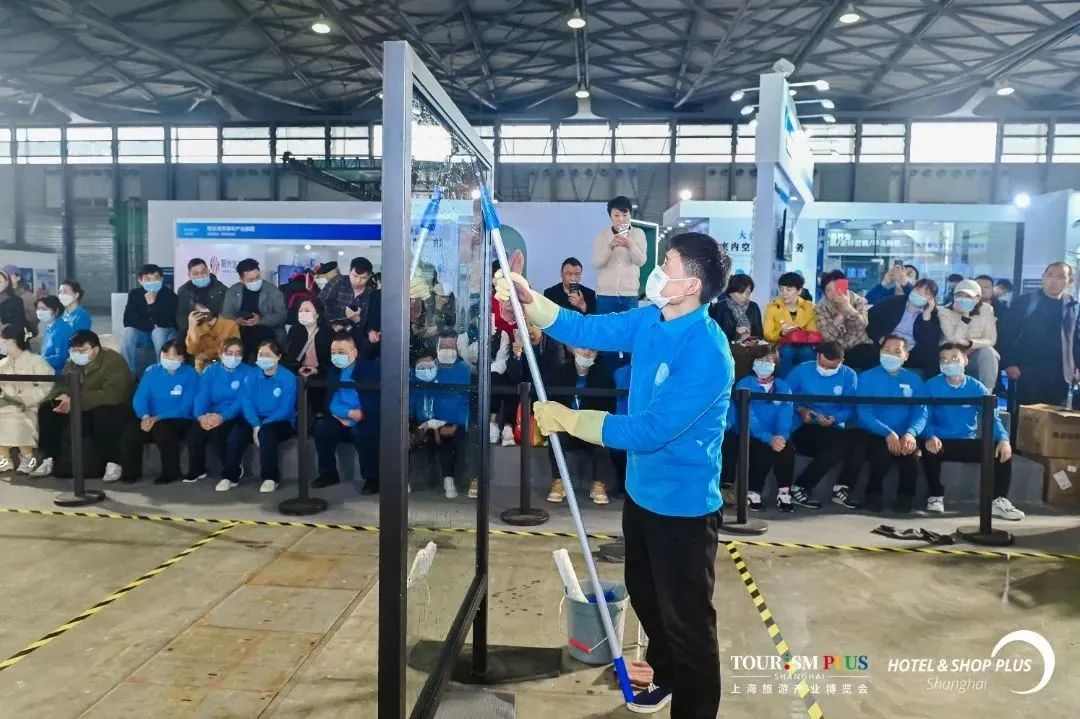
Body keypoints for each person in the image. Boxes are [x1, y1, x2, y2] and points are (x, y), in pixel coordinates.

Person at [497, 231, 732, 715]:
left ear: (691, 285)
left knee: (688, 624)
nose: (655, 273)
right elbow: (589, 330)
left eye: (667, 265)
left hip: (684, 509)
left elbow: (652, 430)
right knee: (646, 597)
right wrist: (531, 300)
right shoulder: (651, 319)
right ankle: (665, 676)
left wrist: (573, 420)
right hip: (641, 494)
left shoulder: (708, 352)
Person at [920, 343, 1023, 520]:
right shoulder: (930, 386)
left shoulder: (977, 387)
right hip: (940, 441)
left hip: (966, 440)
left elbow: (992, 418)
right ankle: (935, 496)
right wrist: (930, 435)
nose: (948, 363)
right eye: (944, 359)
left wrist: (1004, 439)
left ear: (965, 360)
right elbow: (924, 416)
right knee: (928, 447)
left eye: (954, 358)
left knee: (1000, 450)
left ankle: (998, 501)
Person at [33, 330, 139, 482]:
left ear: (95, 349)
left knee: (105, 414)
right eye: (74, 350)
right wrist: (60, 397)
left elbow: (114, 394)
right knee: (47, 410)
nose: (77, 354)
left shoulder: (113, 361)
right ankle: (48, 458)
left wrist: (76, 400)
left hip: (111, 405)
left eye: (82, 350)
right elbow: (61, 385)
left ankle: (113, 462)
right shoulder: (72, 363)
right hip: (79, 404)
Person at [853, 335, 927, 513]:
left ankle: (905, 499)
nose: (891, 355)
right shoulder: (867, 377)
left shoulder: (915, 380)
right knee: (881, 455)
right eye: (886, 350)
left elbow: (921, 412)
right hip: (876, 433)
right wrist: (887, 432)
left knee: (911, 459)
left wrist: (910, 433)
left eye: (897, 351)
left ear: (906, 355)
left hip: (905, 434)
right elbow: (864, 412)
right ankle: (873, 496)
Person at [786, 342, 861, 510]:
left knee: (854, 440)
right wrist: (801, 410)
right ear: (818, 356)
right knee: (841, 444)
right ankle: (802, 487)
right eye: (824, 366)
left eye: (833, 367)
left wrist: (835, 418)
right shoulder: (801, 370)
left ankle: (840, 487)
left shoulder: (849, 375)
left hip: (833, 427)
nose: (827, 370)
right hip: (804, 426)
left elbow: (851, 407)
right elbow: (785, 397)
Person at [542, 344, 616, 506]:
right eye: (583, 348)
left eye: (592, 349)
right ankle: (558, 481)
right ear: (572, 349)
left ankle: (599, 484)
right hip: (566, 428)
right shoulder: (560, 373)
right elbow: (553, 403)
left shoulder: (604, 375)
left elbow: (609, 408)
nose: (587, 353)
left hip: (589, 428)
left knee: (602, 434)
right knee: (555, 435)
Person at [999, 262, 1079, 406]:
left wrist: (1077, 367)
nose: (1053, 280)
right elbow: (1007, 333)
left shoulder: (1072, 305)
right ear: (1043, 277)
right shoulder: (1025, 301)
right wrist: (1009, 363)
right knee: (1024, 416)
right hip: (1026, 371)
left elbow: (1075, 339)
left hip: (1060, 374)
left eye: (1060, 277)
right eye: (1050, 275)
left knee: (1055, 416)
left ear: (1069, 281)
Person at [312, 332, 381, 494]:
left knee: (365, 430)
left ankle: (372, 478)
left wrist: (356, 416)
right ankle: (328, 474)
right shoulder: (333, 371)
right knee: (322, 427)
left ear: (354, 352)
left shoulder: (369, 369)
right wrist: (347, 414)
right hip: (342, 418)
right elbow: (332, 402)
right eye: (333, 352)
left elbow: (373, 401)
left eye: (341, 352)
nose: (337, 356)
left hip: (364, 417)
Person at [728, 348, 796, 512]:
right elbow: (748, 417)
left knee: (787, 449)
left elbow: (786, 415)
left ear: (775, 364)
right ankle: (753, 492)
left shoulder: (783, 386)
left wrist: (781, 436)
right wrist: (768, 438)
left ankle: (784, 493)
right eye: (760, 361)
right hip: (749, 433)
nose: (764, 364)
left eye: (769, 361)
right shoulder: (744, 385)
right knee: (761, 449)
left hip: (776, 436)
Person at [185, 338, 254, 490]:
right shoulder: (211, 371)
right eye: (229, 353)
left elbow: (242, 400)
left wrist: (222, 417)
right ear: (221, 353)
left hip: (239, 415)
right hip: (214, 413)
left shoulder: (249, 372)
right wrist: (201, 416)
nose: (234, 357)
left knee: (223, 434)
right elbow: (201, 395)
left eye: (238, 353)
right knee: (195, 431)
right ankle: (198, 470)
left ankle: (232, 472)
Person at [411, 332, 472, 499]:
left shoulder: (464, 370)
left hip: (451, 422)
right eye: (443, 346)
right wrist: (423, 422)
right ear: (437, 347)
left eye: (451, 346)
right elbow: (419, 397)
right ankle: (404, 480)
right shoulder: (427, 367)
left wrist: (453, 424)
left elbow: (464, 401)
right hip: (425, 420)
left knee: (448, 440)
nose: (447, 350)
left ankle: (448, 480)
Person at [132, 340, 198, 485]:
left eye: (173, 356)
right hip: (151, 418)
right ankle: (130, 473)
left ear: (182, 358)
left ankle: (170, 472)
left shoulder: (190, 374)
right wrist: (145, 415)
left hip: (179, 418)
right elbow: (140, 397)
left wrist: (157, 418)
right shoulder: (152, 372)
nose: (168, 359)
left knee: (163, 429)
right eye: (165, 355)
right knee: (130, 431)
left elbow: (187, 406)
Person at [240, 340, 297, 493]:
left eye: (268, 355)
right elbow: (246, 401)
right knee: (237, 432)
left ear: (278, 357)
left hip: (281, 421)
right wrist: (255, 424)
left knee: (267, 433)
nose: (263, 358)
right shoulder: (251, 375)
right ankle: (230, 475)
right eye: (260, 354)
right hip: (256, 420)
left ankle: (270, 478)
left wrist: (263, 425)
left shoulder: (288, 377)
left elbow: (286, 409)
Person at [0, 325, 54, 474]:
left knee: (18, 417)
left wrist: (25, 399)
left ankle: (27, 457)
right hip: (6, 404)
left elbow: (47, 385)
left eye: (2, 340)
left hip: (30, 405)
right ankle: (4, 458)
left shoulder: (36, 361)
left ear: (13, 341)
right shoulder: (2, 364)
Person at [867, 278, 942, 377]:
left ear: (931, 299)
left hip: (911, 350)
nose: (919, 294)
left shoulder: (932, 314)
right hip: (888, 344)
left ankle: (926, 385)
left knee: (933, 358)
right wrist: (878, 337)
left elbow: (930, 342)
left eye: (925, 293)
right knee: (867, 353)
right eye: (917, 290)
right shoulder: (895, 301)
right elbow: (871, 316)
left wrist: (926, 317)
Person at [937, 279, 999, 389]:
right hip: (952, 352)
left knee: (989, 352)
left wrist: (971, 344)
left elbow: (991, 339)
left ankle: (987, 393)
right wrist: (965, 316)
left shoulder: (987, 309)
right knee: (952, 357)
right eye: (959, 295)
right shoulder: (944, 311)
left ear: (977, 298)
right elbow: (954, 339)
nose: (963, 299)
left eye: (968, 296)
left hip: (975, 352)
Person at [592, 196, 647, 315]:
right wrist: (610, 246)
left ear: (630, 214)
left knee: (629, 326)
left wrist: (630, 245)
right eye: (616, 215)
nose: (621, 219)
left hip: (629, 295)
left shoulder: (638, 233)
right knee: (605, 326)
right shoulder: (602, 235)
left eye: (625, 215)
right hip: (605, 294)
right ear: (610, 216)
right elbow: (596, 263)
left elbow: (641, 261)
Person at [222, 259, 287, 359]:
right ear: (241, 280)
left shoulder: (273, 291)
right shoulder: (232, 291)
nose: (255, 282)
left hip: (267, 333)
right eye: (250, 280)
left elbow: (282, 316)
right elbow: (226, 314)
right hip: (240, 333)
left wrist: (260, 320)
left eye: (257, 277)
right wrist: (237, 320)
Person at [121, 264, 178, 376]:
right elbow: (128, 320)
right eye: (148, 279)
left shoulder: (169, 295)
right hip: (144, 334)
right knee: (128, 332)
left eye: (156, 278)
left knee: (158, 332)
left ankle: (162, 372)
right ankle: (128, 374)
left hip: (165, 333)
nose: (152, 282)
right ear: (140, 281)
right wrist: (152, 324)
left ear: (161, 279)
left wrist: (152, 305)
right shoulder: (135, 294)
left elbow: (165, 322)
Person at [816, 270, 877, 370]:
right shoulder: (821, 307)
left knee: (869, 352)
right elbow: (827, 337)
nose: (833, 293)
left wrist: (848, 308)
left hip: (858, 344)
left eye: (836, 288)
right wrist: (841, 314)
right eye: (828, 290)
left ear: (844, 287)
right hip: (835, 347)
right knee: (830, 354)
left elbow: (862, 326)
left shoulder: (858, 301)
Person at [320, 256, 381, 353]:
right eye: (355, 276)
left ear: (369, 276)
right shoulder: (337, 282)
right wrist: (342, 315)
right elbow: (320, 305)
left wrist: (358, 320)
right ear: (349, 272)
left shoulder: (371, 294)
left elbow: (368, 322)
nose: (358, 281)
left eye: (363, 278)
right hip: (329, 331)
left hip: (354, 337)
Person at [764, 272, 819, 377]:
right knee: (787, 351)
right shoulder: (772, 307)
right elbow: (767, 334)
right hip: (781, 344)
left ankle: (807, 381)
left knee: (807, 352)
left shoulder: (809, 307)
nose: (784, 293)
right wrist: (781, 333)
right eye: (781, 289)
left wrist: (797, 331)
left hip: (804, 344)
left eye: (788, 290)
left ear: (799, 291)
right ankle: (785, 383)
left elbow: (813, 331)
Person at [283, 298, 332, 414]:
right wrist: (298, 369)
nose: (303, 313)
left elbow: (331, 361)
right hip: (299, 373)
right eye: (300, 311)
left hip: (322, 373)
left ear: (317, 314)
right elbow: (289, 358)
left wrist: (317, 370)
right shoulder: (295, 331)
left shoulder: (328, 332)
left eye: (307, 310)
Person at [175, 258, 228, 340]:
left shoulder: (222, 289)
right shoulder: (183, 291)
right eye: (196, 273)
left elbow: (226, 313)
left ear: (208, 271)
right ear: (189, 275)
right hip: (191, 329)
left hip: (215, 329)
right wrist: (191, 327)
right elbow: (181, 316)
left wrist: (213, 321)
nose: (200, 276)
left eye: (203, 272)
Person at [185, 301, 240, 372]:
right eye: (199, 312)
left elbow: (234, 348)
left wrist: (207, 354)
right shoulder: (195, 326)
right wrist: (192, 327)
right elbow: (191, 351)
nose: (203, 315)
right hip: (203, 366)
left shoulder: (231, 325)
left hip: (225, 363)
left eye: (205, 312)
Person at [710, 273, 764, 344]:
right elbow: (715, 336)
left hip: (749, 349)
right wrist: (735, 332)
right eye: (740, 292)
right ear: (731, 292)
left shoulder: (754, 307)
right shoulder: (720, 307)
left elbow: (759, 335)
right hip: (726, 349)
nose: (744, 296)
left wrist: (750, 338)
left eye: (748, 293)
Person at [35, 296, 74, 375]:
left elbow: (61, 358)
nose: (40, 312)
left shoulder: (61, 330)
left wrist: (37, 361)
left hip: (57, 375)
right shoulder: (50, 327)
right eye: (38, 309)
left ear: (56, 311)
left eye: (44, 309)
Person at [8, 269, 38, 334]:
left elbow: (34, 318)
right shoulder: (4, 295)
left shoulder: (28, 296)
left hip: (24, 334)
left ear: (18, 278)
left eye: (9, 275)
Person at [0, 271, 27, 338]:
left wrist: (4, 331)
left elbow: (19, 324)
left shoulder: (16, 301)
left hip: (9, 340)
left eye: (0, 282)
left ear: (7, 283)